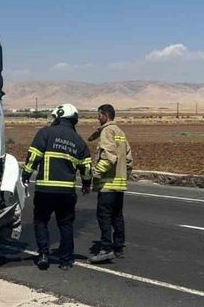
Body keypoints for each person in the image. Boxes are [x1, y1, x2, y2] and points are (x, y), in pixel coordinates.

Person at [21, 103, 92, 270]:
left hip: (45, 190)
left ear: (58, 117)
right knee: (66, 224)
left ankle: (44, 255)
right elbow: (87, 168)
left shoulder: (45, 133)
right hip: (66, 192)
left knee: (41, 221)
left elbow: (33, 157)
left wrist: (25, 176)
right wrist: (86, 184)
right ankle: (66, 261)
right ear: (73, 120)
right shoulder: (79, 142)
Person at [87, 103, 132, 263]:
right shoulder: (120, 132)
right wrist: (124, 176)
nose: (98, 119)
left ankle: (106, 248)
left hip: (107, 185)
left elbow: (108, 156)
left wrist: (96, 173)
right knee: (117, 216)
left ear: (105, 116)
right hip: (119, 185)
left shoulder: (107, 131)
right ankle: (118, 247)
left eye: (99, 116)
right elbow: (128, 160)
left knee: (104, 216)